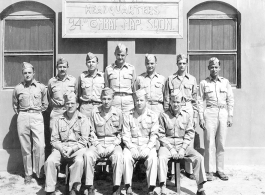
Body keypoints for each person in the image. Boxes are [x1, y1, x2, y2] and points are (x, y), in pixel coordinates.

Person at [158, 89, 207, 195]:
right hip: (167, 145)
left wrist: (183, 149)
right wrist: (170, 149)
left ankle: (200, 188)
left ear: (182, 102)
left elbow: (190, 133)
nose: (175, 104)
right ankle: (162, 187)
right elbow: (161, 135)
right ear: (170, 102)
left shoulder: (186, 115)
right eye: (173, 101)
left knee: (199, 157)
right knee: (161, 157)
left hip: (182, 145)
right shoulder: (163, 115)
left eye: (178, 102)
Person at [44, 92, 90, 195]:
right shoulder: (58, 119)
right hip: (61, 148)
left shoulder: (83, 119)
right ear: (64, 105)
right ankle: (50, 190)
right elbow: (54, 140)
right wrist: (61, 149)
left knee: (79, 161)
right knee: (50, 161)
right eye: (68, 103)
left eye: (72, 103)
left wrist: (72, 149)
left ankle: (73, 189)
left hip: (76, 149)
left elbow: (84, 141)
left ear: (77, 105)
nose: (70, 106)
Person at [197, 57, 234, 181]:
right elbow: (199, 101)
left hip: (222, 112)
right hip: (210, 112)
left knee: (221, 142)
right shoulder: (204, 83)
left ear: (219, 68)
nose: (214, 69)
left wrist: (230, 115)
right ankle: (209, 171)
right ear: (208, 68)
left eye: (216, 67)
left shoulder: (225, 82)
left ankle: (220, 170)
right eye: (212, 67)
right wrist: (201, 117)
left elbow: (230, 99)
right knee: (209, 143)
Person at [12, 62, 48, 184]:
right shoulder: (18, 88)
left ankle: (40, 172)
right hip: (23, 116)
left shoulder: (41, 87)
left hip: (37, 116)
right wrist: (23, 114)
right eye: (25, 73)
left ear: (34, 73)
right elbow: (15, 105)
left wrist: (36, 112)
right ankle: (28, 173)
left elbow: (45, 104)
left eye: (29, 73)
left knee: (40, 146)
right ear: (23, 74)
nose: (27, 75)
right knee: (25, 147)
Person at [164, 54, 198, 179]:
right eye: (180, 63)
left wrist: (195, 116)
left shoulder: (192, 79)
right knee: (173, 135)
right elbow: (167, 97)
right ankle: (172, 172)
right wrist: (167, 113)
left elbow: (195, 99)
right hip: (174, 108)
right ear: (177, 64)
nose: (182, 65)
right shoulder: (171, 79)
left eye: (184, 63)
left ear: (186, 64)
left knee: (189, 138)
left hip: (187, 108)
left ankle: (189, 170)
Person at [83, 87, 123, 195]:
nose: (106, 101)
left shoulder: (118, 113)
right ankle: (89, 185)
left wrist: (113, 146)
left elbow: (120, 133)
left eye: (109, 99)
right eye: (104, 98)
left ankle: (116, 187)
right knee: (88, 155)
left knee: (119, 156)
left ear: (113, 99)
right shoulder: (94, 112)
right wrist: (98, 145)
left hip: (113, 143)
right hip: (98, 142)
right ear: (101, 98)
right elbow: (91, 132)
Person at [122, 88, 159, 195]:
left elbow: (154, 135)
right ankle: (128, 186)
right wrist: (131, 148)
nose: (139, 103)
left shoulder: (153, 115)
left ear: (146, 101)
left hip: (147, 145)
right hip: (132, 145)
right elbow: (125, 135)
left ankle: (151, 188)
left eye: (141, 100)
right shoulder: (128, 115)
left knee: (153, 157)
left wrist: (148, 148)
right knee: (126, 157)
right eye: (137, 100)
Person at [104, 43, 136, 113]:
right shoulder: (109, 69)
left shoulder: (131, 69)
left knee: (128, 121)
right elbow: (107, 87)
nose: (120, 57)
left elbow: (134, 88)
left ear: (126, 55)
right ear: (115, 54)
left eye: (122, 55)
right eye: (118, 54)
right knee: (115, 121)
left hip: (128, 101)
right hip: (114, 100)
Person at [48, 57, 77, 132]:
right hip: (56, 111)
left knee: (70, 133)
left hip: (69, 111)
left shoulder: (73, 80)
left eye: (64, 67)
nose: (62, 69)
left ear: (67, 67)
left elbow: (76, 94)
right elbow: (49, 97)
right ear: (57, 67)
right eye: (60, 67)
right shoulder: (52, 81)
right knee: (54, 133)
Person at [78, 52, 104, 118]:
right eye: (89, 62)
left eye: (93, 62)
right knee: (85, 127)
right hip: (85, 108)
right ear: (86, 64)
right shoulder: (82, 77)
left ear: (97, 63)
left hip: (99, 107)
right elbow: (78, 93)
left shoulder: (103, 76)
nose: (91, 64)